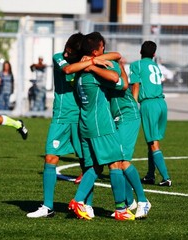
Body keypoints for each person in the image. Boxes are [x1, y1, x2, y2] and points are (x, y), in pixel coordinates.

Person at [68, 32, 135, 221]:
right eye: (102, 48)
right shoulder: (92, 73)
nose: (104, 50)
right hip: (101, 125)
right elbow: (117, 80)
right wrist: (96, 66)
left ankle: (79, 201)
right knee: (115, 163)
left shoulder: (79, 73)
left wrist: (91, 63)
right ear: (98, 49)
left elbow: (115, 56)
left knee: (95, 167)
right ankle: (121, 209)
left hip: (85, 123)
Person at [27, 32, 86, 218]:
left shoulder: (85, 61)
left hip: (80, 117)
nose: (67, 53)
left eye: (71, 52)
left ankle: (86, 205)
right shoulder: (59, 58)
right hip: (60, 118)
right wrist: (90, 62)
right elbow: (68, 70)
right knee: (50, 158)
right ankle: (48, 206)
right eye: (67, 49)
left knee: (87, 163)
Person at [108, 60, 151, 219]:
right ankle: (129, 202)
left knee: (123, 161)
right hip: (117, 118)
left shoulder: (110, 70)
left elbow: (129, 83)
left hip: (128, 117)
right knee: (114, 161)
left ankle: (143, 201)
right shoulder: (104, 65)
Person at [130, 40, 171, 187]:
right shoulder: (155, 66)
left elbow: (135, 84)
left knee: (153, 143)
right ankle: (150, 175)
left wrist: (133, 104)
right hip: (161, 103)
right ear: (154, 54)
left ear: (140, 51)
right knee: (152, 141)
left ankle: (166, 177)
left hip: (149, 104)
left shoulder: (137, 65)